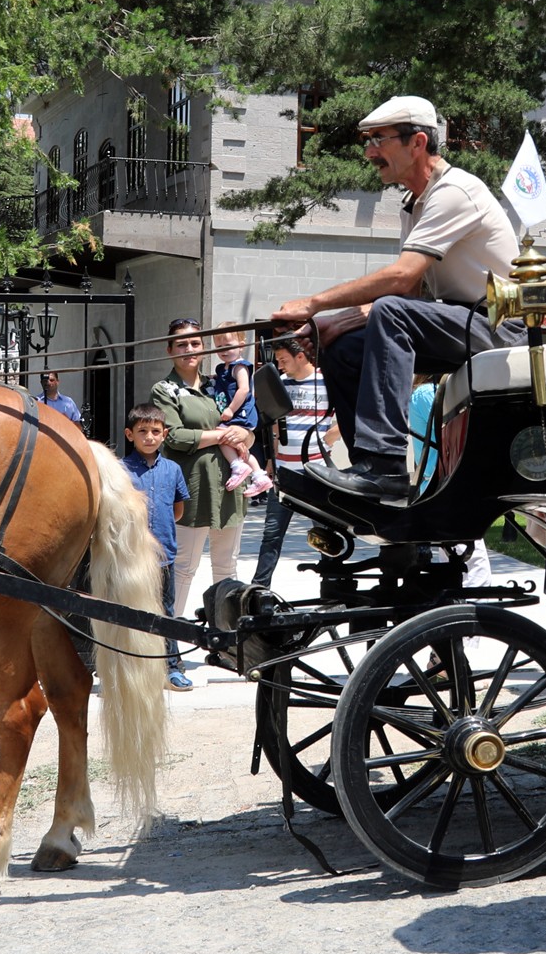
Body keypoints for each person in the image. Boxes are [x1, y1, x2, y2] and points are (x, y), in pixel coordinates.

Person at [268, 95, 520, 502]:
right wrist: (334, 325)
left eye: (378, 140)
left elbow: (401, 280)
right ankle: (369, 472)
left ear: (417, 143)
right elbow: (410, 292)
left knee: (389, 313)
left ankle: (385, 467)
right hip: (461, 321)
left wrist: (315, 305)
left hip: (501, 329)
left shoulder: (455, 190)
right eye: (368, 141)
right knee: (345, 348)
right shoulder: (413, 204)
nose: (369, 152)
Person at [150, 319, 251, 687]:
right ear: (170, 350)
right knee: (183, 571)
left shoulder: (218, 383)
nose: (190, 350)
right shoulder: (165, 390)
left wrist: (245, 433)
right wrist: (223, 434)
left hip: (227, 487)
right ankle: (167, 656)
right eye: (182, 345)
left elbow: (245, 422)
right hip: (190, 489)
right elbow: (173, 436)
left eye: (195, 343)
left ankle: (229, 648)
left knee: (227, 569)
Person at [117, 404, 193, 690]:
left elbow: (178, 511)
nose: (149, 437)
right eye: (142, 431)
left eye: (155, 431)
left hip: (163, 555)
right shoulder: (121, 470)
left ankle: (172, 667)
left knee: (166, 609)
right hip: (132, 555)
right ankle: (130, 670)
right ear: (130, 434)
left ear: (165, 434)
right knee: (130, 608)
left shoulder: (173, 469)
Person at [252, 339, 338, 590]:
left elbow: (345, 418)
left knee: (325, 533)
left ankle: (332, 586)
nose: (279, 365)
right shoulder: (281, 383)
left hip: (317, 471)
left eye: (283, 360)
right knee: (271, 534)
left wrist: (325, 440)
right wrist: (272, 458)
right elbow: (275, 422)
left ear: (301, 357)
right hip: (284, 471)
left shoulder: (328, 381)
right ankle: (259, 588)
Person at [202, 330, 272, 495]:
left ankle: (237, 466)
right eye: (219, 347)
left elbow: (244, 389)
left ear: (241, 346)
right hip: (235, 414)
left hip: (241, 413)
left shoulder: (239, 366)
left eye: (228, 346)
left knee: (221, 435)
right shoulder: (224, 368)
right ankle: (259, 475)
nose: (223, 351)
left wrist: (230, 409)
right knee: (238, 446)